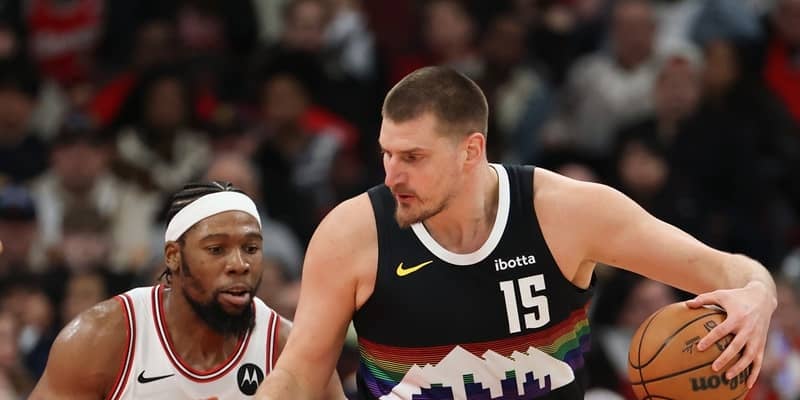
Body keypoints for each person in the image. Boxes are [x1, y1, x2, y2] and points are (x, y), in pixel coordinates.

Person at [256, 66, 777, 400]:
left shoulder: (566, 211)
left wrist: (757, 297)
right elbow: (300, 374)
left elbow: (730, 270)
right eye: (387, 154)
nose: (393, 175)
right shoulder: (352, 233)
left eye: (413, 157)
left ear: (471, 150)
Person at [29, 181, 344, 399]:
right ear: (173, 256)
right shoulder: (102, 338)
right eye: (217, 249)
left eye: (251, 248)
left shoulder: (288, 349)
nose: (239, 264)